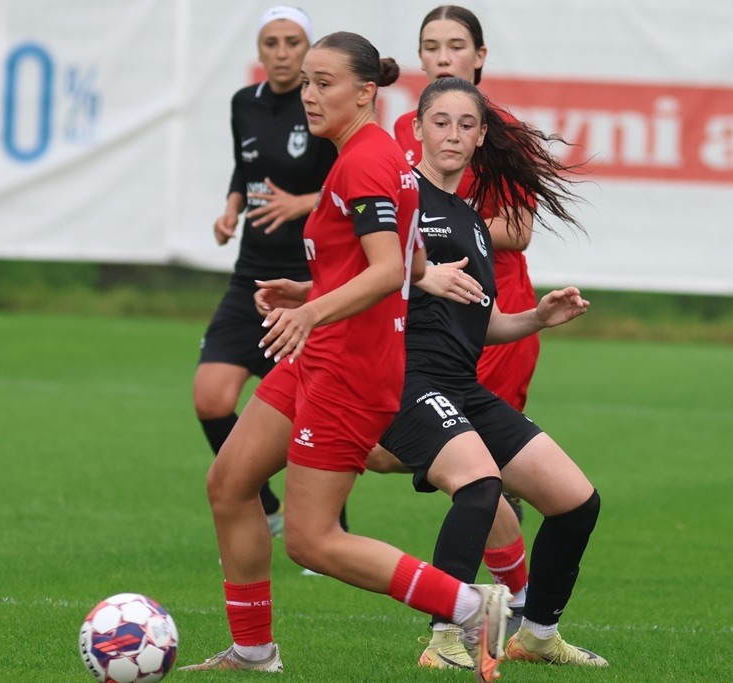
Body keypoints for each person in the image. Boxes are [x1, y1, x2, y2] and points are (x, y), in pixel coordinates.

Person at [182, 32, 513, 682]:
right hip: (322, 354)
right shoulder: (375, 155)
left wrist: (310, 312)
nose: (308, 94)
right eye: (306, 82)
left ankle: (471, 606)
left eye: (323, 83)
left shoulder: (365, 162)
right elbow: (408, 262)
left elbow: (387, 270)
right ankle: (252, 652)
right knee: (229, 483)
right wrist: (311, 291)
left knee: (312, 539)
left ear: (365, 92)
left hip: (349, 367)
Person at [378, 76, 609, 671]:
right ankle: (443, 640)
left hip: (462, 386)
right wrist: (417, 275)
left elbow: (482, 323)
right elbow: (359, 275)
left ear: (481, 136)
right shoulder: (400, 199)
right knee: (480, 487)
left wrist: (537, 318)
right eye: (440, 122)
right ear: (417, 128)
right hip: (407, 380)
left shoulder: (475, 222)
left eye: (466, 125)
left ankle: (538, 636)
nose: (452, 135)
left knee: (576, 502)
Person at [371, 4, 534, 621]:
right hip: (423, 320)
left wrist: (445, 231)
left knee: (480, 475)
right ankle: (508, 608)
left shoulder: (500, 132)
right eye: (432, 46)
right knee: (400, 453)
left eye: (456, 46)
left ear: (480, 56)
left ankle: (503, 611)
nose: (443, 57)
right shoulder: (402, 133)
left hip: (493, 320)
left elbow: (518, 228)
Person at [193, 6, 339, 537]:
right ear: (259, 50)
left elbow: (352, 184)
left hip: (306, 280)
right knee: (210, 397)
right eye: (271, 43)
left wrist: (300, 203)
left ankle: (330, 525)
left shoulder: (322, 105)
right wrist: (231, 208)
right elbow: (245, 166)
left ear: (308, 49)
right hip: (250, 276)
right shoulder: (244, 103)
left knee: (311, 411)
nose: (281, 53)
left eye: (292, 42)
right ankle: (269, 506)